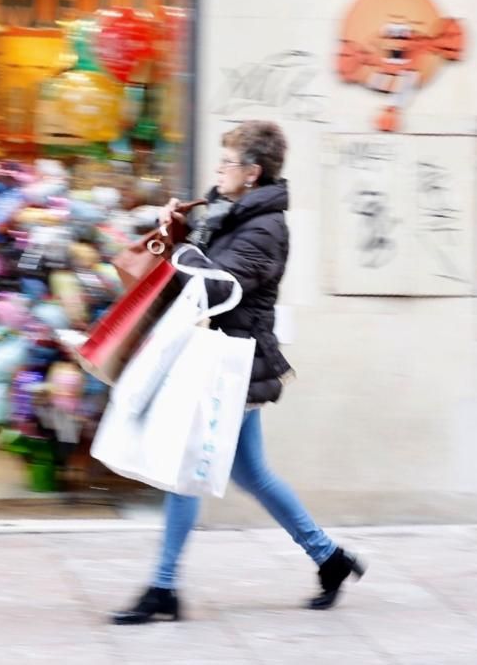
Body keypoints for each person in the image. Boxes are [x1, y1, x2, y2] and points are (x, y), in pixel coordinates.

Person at [112, 121, 365, 625]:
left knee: (187, 468)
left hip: (231, 364)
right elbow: (199, 260)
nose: (218, 171)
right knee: (253, 474)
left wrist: (178, 249)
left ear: (252, 172)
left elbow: (217, 283)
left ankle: (163, 587)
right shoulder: (229, 211)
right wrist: (175, 230)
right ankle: (330, 559)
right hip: (217, 357)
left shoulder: (267, 228)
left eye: (227, 163)